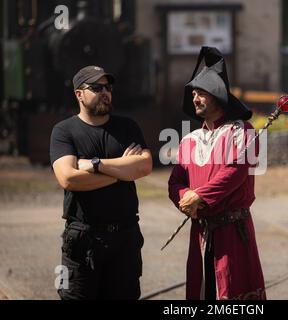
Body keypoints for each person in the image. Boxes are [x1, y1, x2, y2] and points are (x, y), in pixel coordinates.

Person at [168, 47, 266, 300]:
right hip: (200, 230)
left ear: (218, 96)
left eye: (201, 93)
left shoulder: (242, 132)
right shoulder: (189, 140)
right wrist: (184, 196)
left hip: (233, 231)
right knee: (203, 294)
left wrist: (198, 196)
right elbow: (175, 181)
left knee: (233, 294)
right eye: (193, 94)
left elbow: (235, 172)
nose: (195, 99)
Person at [50, 65, 152, 300]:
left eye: (108, 87)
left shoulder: (127, 127)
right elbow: (68, 178)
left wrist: (95, 165)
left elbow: (144, 166)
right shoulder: (64, 131)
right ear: (79, 94)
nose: (105, 92)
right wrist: (123, 170)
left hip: (125, 239)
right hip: (82, 240)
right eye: (96, 87)